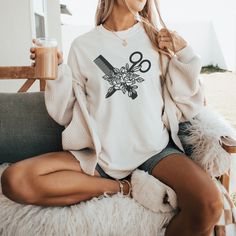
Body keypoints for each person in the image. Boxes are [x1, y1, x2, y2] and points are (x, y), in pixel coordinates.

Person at [1, 0, 223, 235]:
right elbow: (64, 112)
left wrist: (184, 53)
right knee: (15, 180)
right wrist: (56, 71)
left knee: (209, 204)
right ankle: (123, 187)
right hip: (101, 158)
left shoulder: (158, 40)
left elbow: (187, 103)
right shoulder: (83, 46)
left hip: (154, 152)